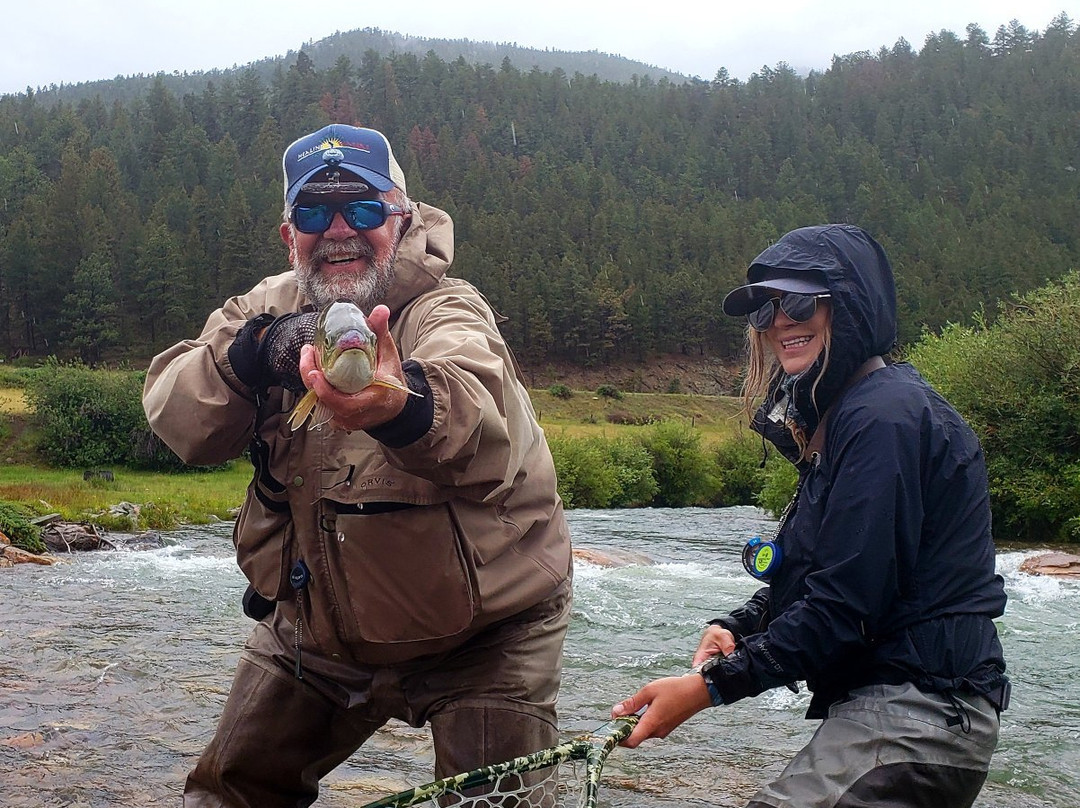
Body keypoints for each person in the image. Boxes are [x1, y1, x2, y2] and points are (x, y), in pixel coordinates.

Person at [143, 124, 572, 808]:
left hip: (486, 638)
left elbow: (485, 425)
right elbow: (174, 413)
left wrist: (400, 407)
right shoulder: (263, 307)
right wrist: (256, 353)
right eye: (314, 212)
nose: (338, 228)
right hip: (316, 632)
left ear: (399, 220)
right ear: (291, 236)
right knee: (225, 796)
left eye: (363, 209)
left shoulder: (446, 307)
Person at [611, 224, 1009, 807]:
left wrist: (709, 687)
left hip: (922, 712)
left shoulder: (883, 420)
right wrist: (742, 628)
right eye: (766, 308)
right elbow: (814, 570)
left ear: (848, 307)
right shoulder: (851, 417)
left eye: (799, 300)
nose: (779, 321)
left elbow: (846, 605)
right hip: (905, 712)